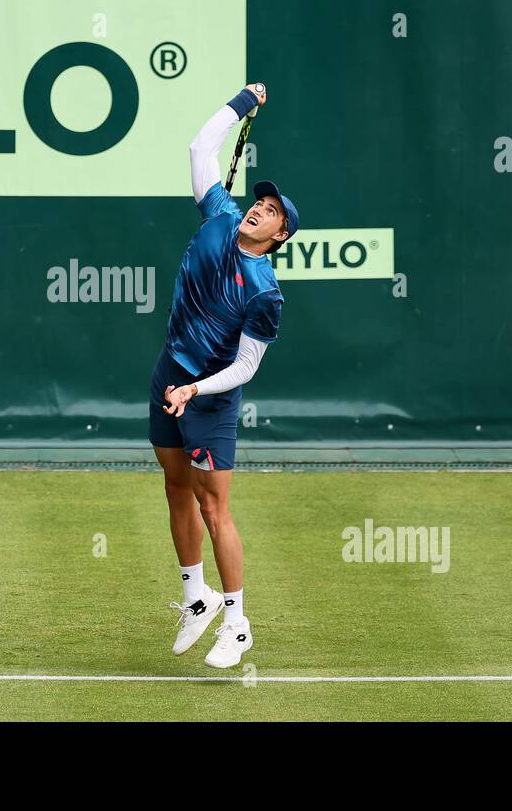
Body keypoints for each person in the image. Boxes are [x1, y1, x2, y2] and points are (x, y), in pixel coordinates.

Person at [148, 83, 300, 668]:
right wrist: (241, 102)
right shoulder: (218, 213)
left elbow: (245, 366)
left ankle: (236, 622)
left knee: (215, 510)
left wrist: (195, 389)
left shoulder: (266, 294)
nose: (262, 207)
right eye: (262, 202)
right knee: (173, 486)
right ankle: (197, 598)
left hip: (208, 398)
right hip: (169, 371)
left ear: (279, 236)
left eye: (274, 212)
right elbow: (199, 147)